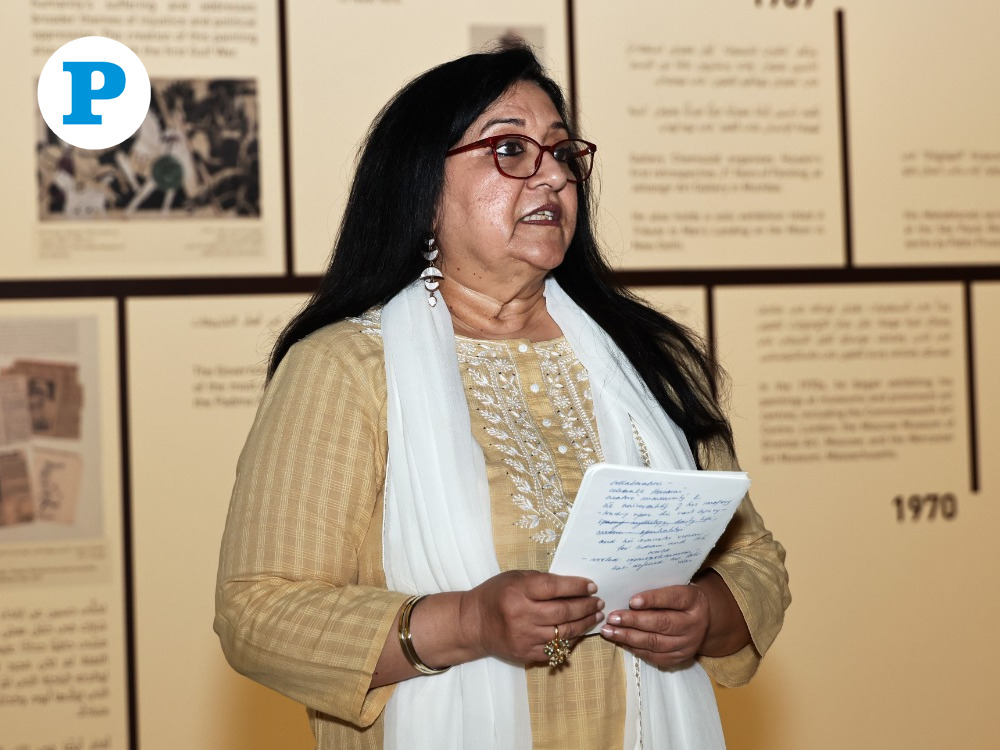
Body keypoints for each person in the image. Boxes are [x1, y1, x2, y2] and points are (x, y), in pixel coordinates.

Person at [215, 44, 790, 750]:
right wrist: (469, 623)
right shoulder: (347, 368)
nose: (553, 175)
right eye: (511, 150)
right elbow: (258, 613)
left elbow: (752, 559)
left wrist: (705, 615)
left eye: (562, 153)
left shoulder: (648, 359)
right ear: (424, 189)